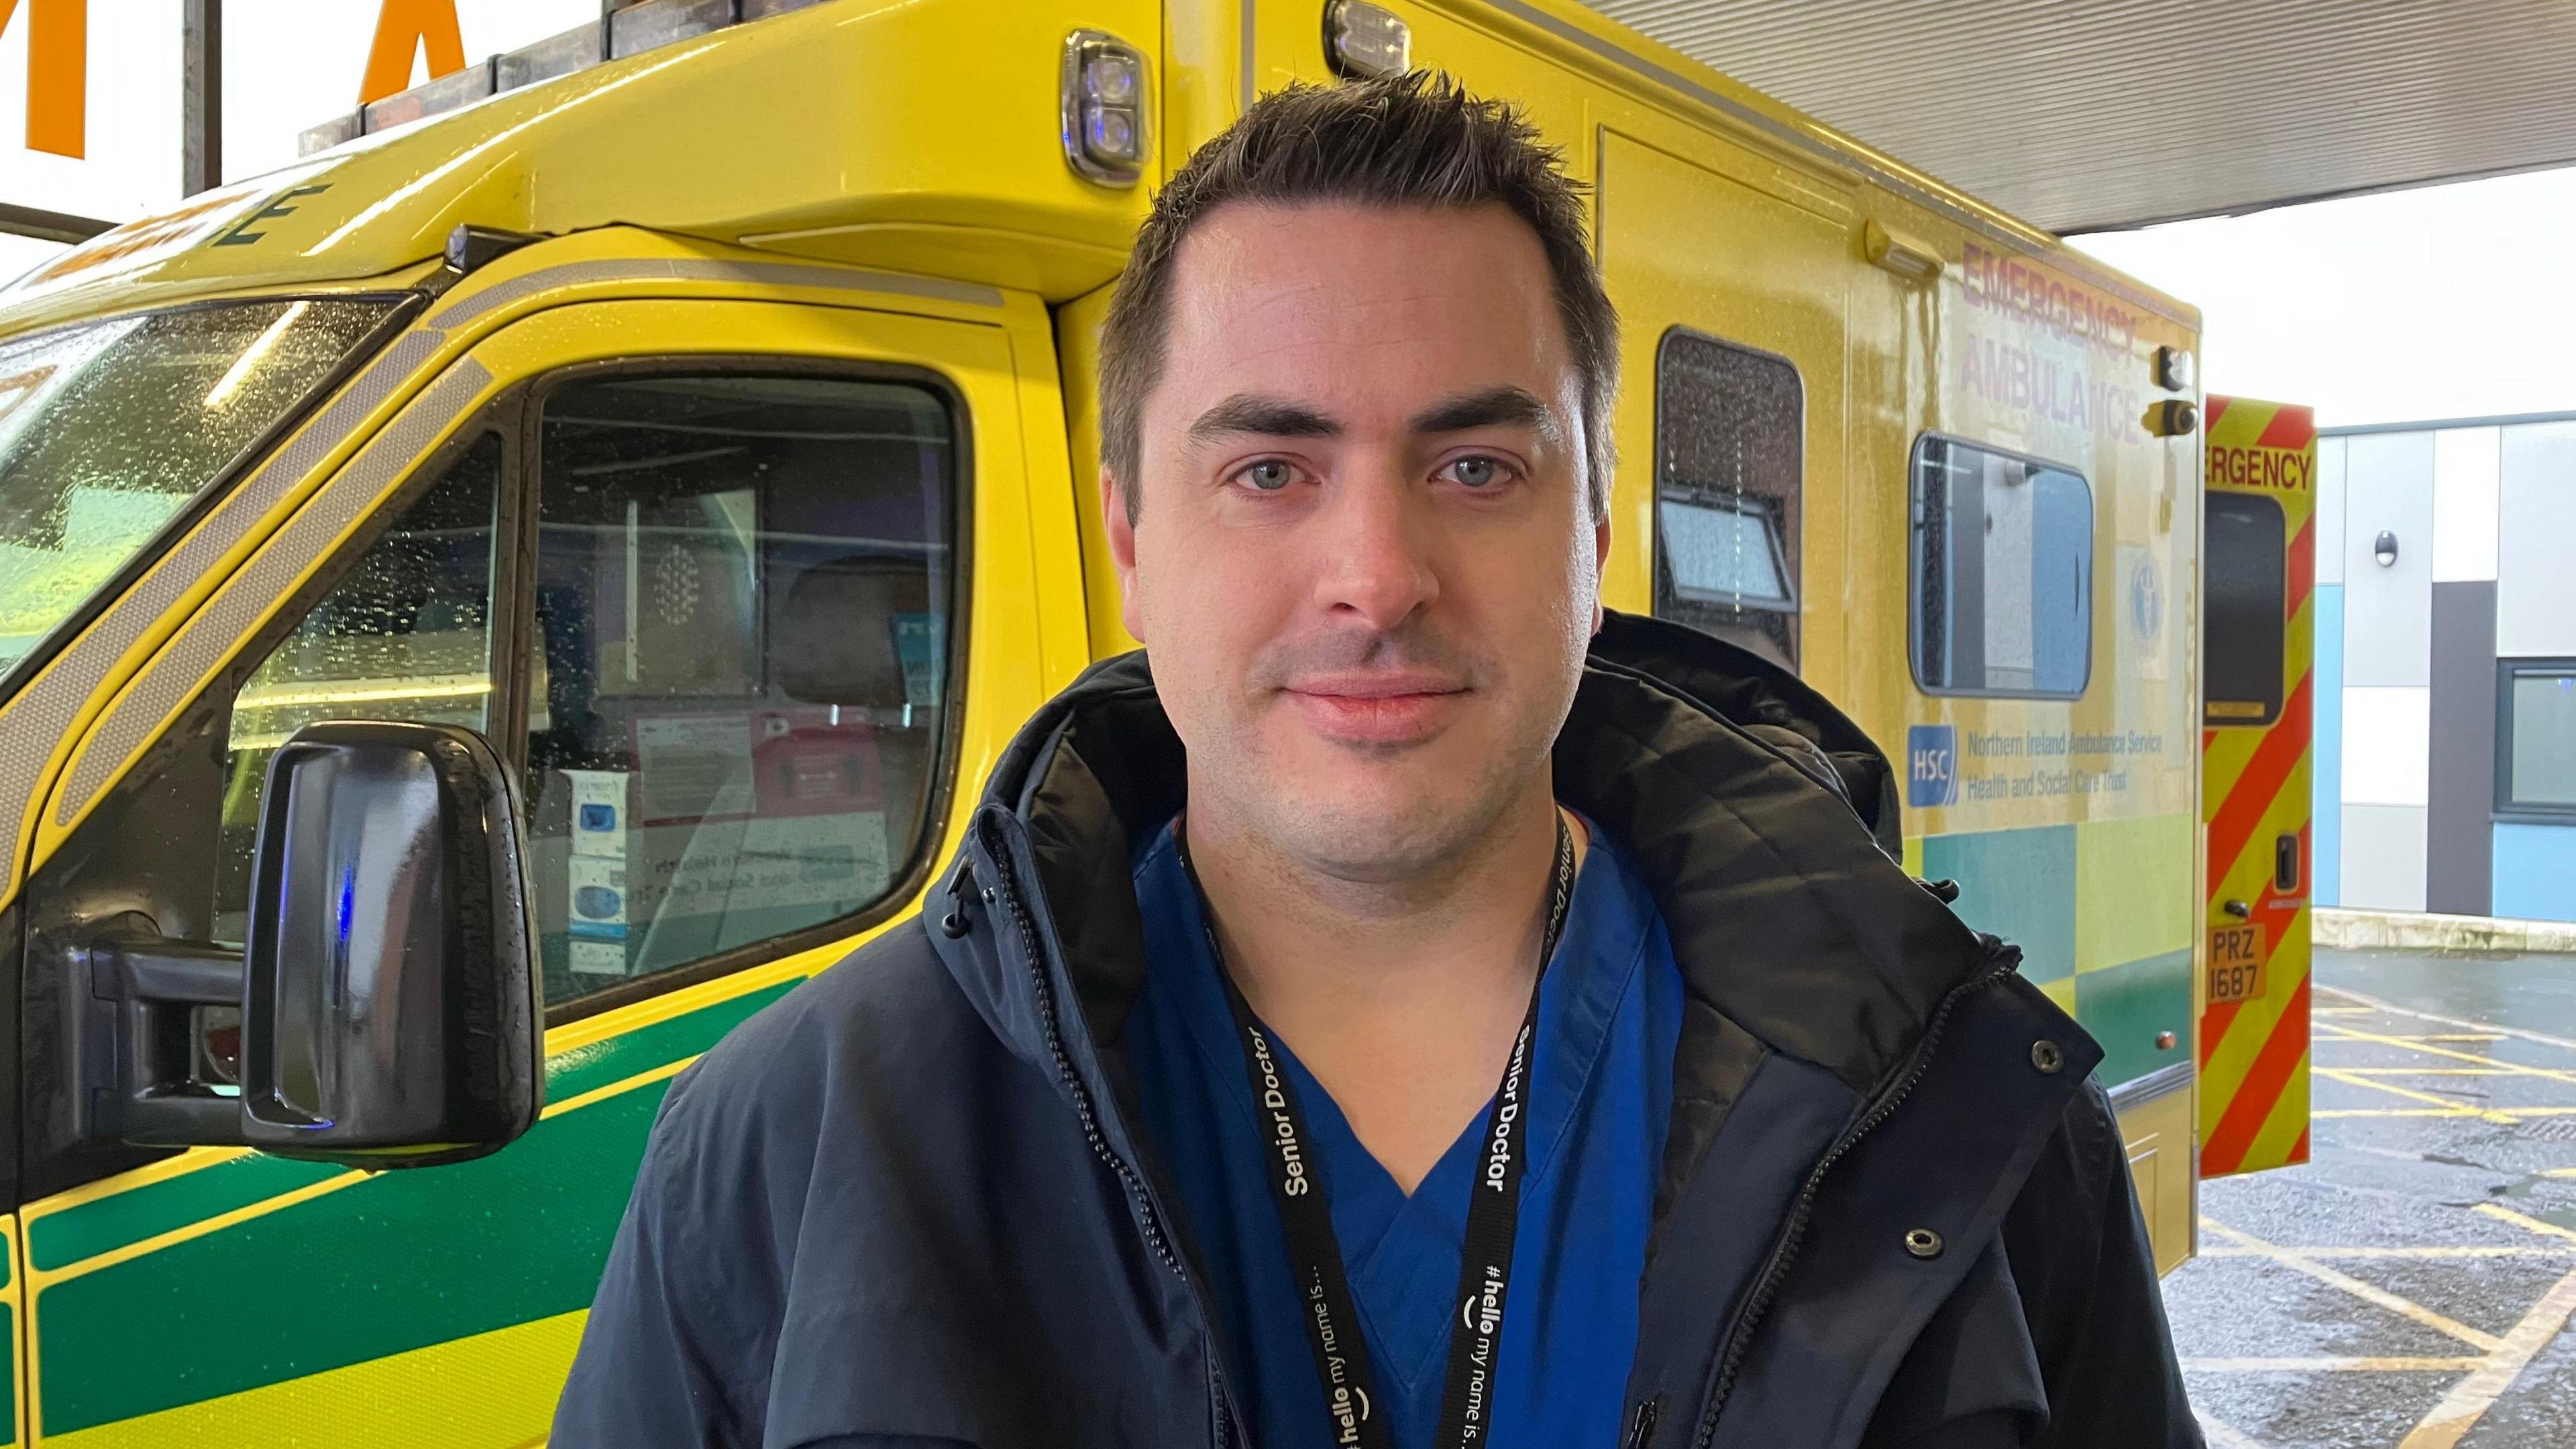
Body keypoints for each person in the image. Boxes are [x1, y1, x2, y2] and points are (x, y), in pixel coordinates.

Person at [552, 73, 2200, 1449]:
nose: (1378, 573)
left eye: (1476, 465)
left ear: (1599, 530)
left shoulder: (1953, 1121)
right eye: (1271, 468)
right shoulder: (801, 1144)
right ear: (1133, 537)